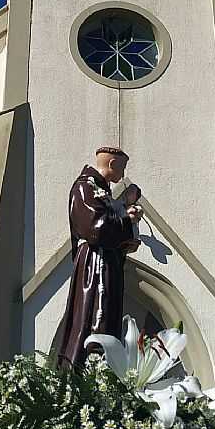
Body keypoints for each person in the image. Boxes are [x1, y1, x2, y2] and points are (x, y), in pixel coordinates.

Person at [56, 146, 142, 369]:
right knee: (94, 316)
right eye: (121, 169)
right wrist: (126, 219)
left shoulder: (102, 192)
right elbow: (95, 228)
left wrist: (126, 210)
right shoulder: (85, 188)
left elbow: (111, 220)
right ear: (112, 164)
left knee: (108, 317)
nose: (122, 176)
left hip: (106, 263)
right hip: (94, 266)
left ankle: (104, 365)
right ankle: (88, 367)